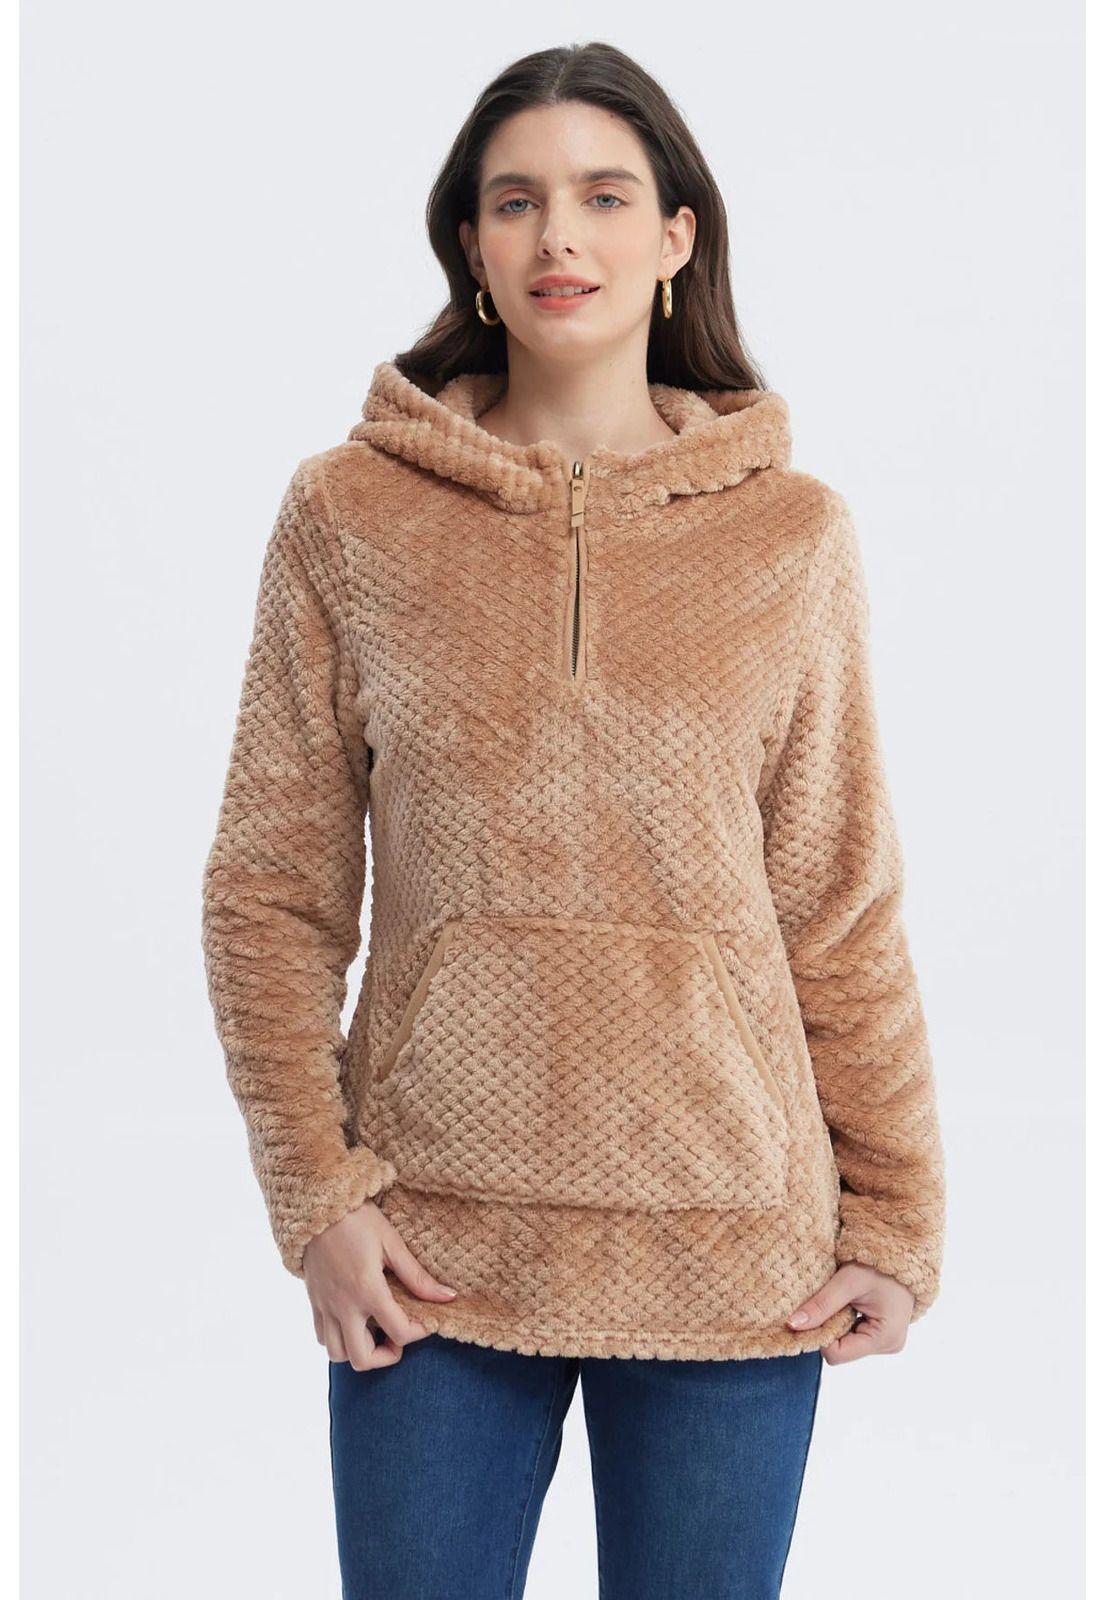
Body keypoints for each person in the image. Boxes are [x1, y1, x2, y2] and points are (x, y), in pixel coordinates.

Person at [200, 39, 946, 1600]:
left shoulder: (791, 536)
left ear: (676, 237)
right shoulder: (348, 513)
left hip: (736, 1256)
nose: (560, 237)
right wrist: (316, 1197)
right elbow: (270, 891)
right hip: (430, 1252)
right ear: (470, 246)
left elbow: (839, 901)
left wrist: (895, 1209)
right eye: (516, 201)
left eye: (605, 197)